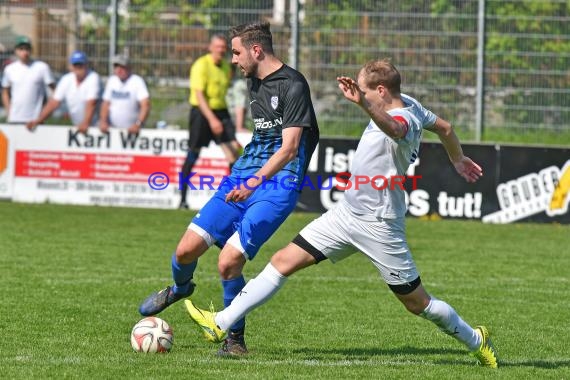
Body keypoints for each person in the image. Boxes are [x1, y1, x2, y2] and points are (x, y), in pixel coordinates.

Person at [184, 59, 499, 368]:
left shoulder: (405, 117)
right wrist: (457, 159)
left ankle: (475, 340)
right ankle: (220, 323)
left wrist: (363, 104)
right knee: (282, 262)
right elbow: (445, 127)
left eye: (365, 90)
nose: (359, 94)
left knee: (418, 303)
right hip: (346, 214)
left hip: (379, 225)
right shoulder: (414, 105)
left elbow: (393, 127)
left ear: (380, 90)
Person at [138, 21, 320, 357]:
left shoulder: (294, 85)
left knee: (228, 262)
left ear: (256, 50)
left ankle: (234, 340)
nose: (233, 60)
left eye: (237, 52)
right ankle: (180, 288)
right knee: (184, 252)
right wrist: (244, 178)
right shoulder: (252, 82)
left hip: (278, 185)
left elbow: (290, 148)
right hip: (239, 179)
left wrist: (253, 184)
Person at [178, 34, 242, 210]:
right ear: (210, 47)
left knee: (234, 152)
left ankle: (234, 197)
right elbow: (199, 95)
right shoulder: (201, 65)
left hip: (221, 111)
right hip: (201, 112)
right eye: (218, 46)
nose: (221, 50)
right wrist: (212, 120)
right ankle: (182, 199)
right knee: (193, 154)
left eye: (223, 47)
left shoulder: (227, 67)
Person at [26, 51, 101, 132]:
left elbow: (91, 103)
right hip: (79, 126)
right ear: (71, 66)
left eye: (81, 64)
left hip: (96, 125)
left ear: (86, 65)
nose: (78, 67)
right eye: (76, 65)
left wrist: (86, 122)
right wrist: (39, 119)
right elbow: (54, 102)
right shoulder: (66, 79)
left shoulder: (93, 77)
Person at [1, 35, 55, 124]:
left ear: (31, 50)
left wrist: (45, 112)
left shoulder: (41, 67)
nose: (24, 52)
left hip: (35, 119)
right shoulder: (10, 69)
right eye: (21, 49)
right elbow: (5, 92)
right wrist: (9, 111)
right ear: (16, 51)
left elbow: (54, 91)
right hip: (15, 118)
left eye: (27, 49)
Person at [99, 54, 150, 133]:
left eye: (122, 67)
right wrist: (103, 121)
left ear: (129, 68)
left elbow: (145, 105)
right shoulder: (112, 81)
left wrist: (138, 124)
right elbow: (105, 104)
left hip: (132, 130)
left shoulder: (137, 81)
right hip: (112, 130)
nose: (119, 70)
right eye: (116, 67)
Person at [226, 64, 249, 133]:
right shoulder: (222, 83)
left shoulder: (238, 85)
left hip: (234, 125)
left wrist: (239, 127)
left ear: (231, 72)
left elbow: (240, 105)